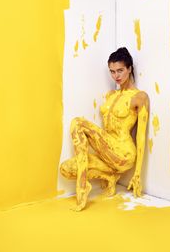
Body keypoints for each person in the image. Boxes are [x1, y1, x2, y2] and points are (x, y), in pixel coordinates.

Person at [60, 47, 149, 211]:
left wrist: (137, 174)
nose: (117, 76)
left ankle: (82, 187)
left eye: (120, 70)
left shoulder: (140, 97)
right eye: (112, 71)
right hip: (107, 152)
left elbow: (141, 136)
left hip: (123, 153)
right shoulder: (110, 95)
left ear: (129, 69)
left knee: (78, 123)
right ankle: (110, 176)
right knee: (66, 169)